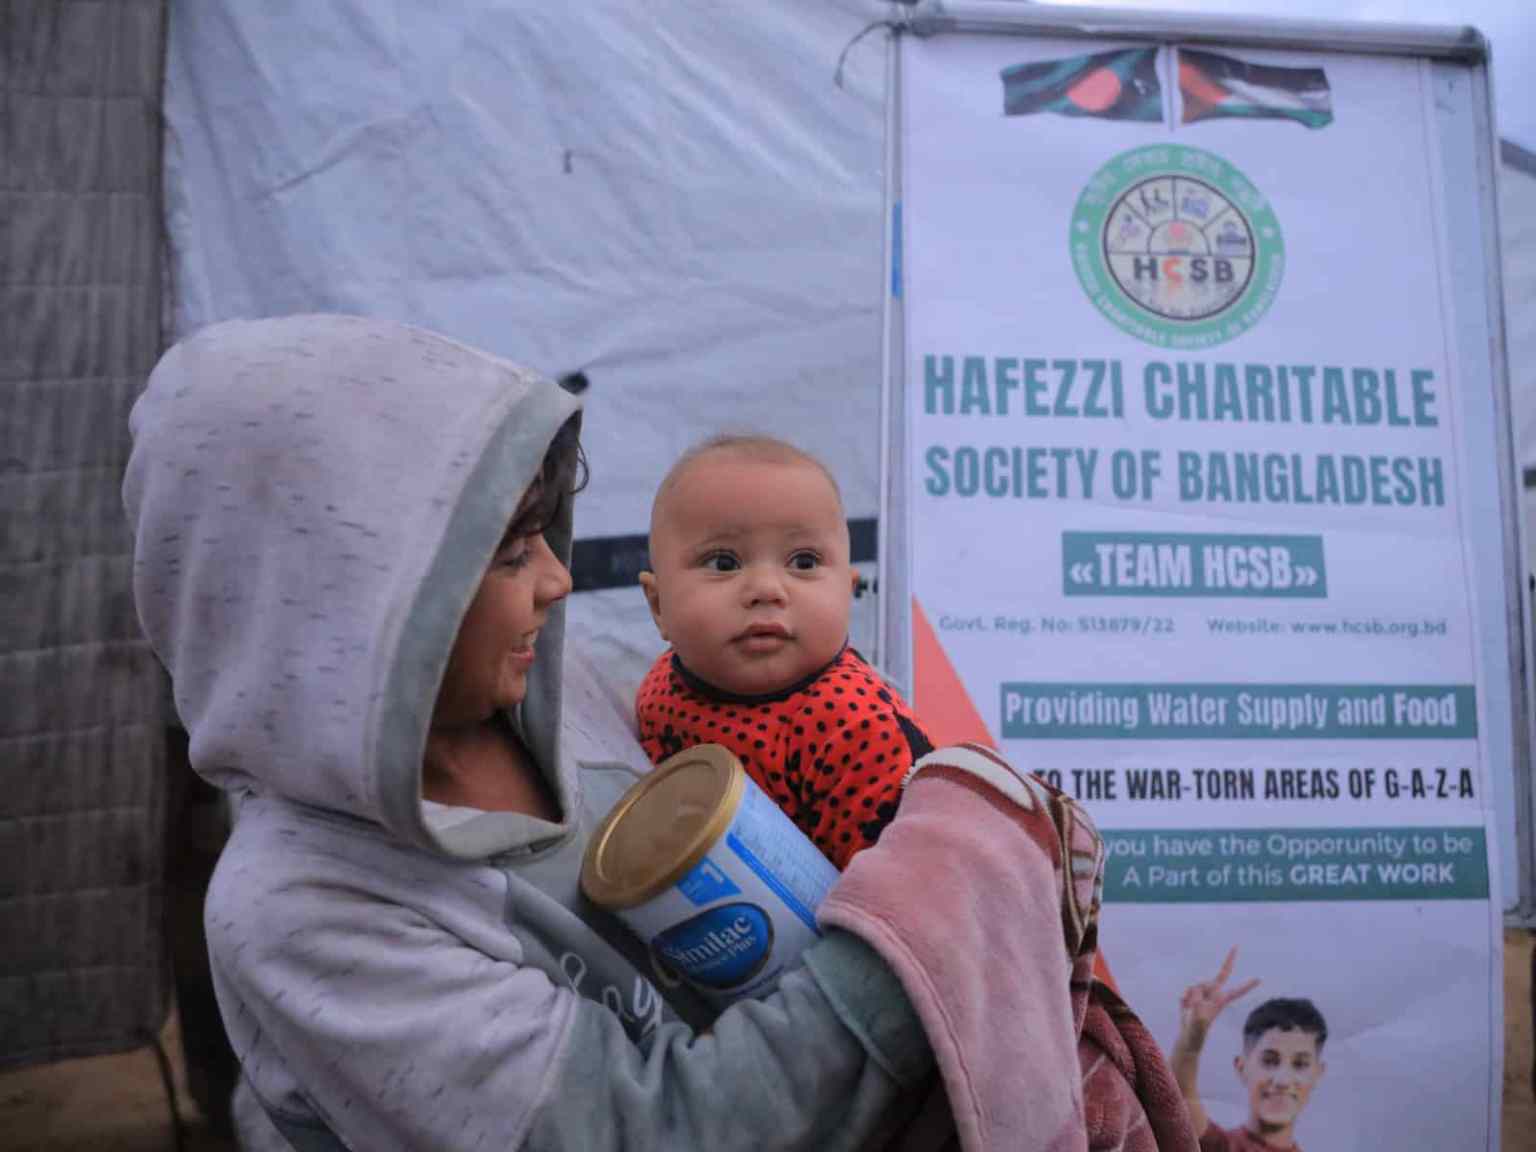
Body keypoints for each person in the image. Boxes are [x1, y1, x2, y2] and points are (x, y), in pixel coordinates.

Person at [121, 314, 1089, 1152]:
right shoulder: (304, 914)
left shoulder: (558, 696)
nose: (553, 580)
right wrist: (932, 911)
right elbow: (664, 1130)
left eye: (544, 536)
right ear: (344, 604)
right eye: (505, 553)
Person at [636, 435, 932, 868]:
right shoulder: (664, 684)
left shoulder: (856, 729)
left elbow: (902, 893)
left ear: (848, 593)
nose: (766, 590)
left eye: (804, 562)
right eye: (724, 563)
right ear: (659, 606)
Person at [1170, 948, 1328, 1152]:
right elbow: (1178, 1097)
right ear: (1241, 1067)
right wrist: (1193, 1036)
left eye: (1300, 1064)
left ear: (1317, 1073)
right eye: (1269, 1061)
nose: (1281, 1080)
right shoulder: (1219, 1146)